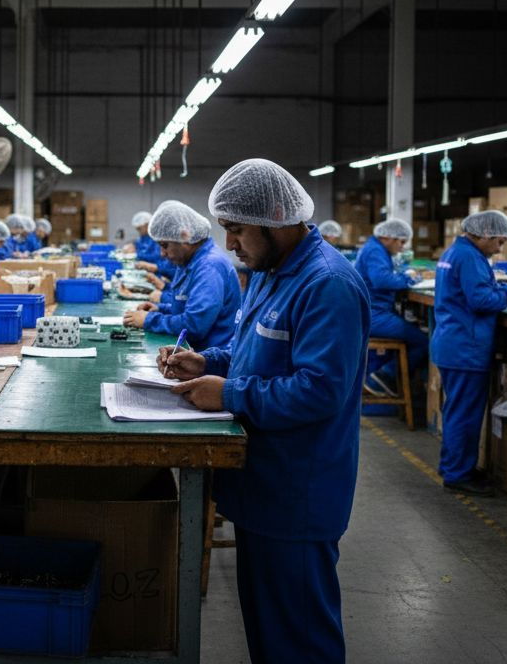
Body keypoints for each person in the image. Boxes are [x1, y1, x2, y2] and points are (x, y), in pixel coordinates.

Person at [158, 159, 369, 664]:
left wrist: (228, 394)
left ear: (277, 219)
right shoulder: (270, 272)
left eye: (236, 230)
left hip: (298, 490)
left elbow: (320, 390)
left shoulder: (327, 285)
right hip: (261, 484)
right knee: (269, 635)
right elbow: (252, 349)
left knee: (299, 639)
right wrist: (205, 361)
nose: (229, 243)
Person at [431, 210, 507, 497]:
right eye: (499, 242)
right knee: (464, 414)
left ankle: (454, 467)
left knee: (457, 410)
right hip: (465, 348)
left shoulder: (455, 252)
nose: (500, 248)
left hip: (453, 342)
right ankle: (458, 475)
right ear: (484, 234)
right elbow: (481, 300)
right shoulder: (470, 257)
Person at [122, 201, 241, 350]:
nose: (162, 254)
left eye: (165, 245)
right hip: (196, 352)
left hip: (211, 358)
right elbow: (185, 306)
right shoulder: (189, 262)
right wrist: (160, 309)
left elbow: (194, 325)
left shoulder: (209, 266)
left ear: (184, 237)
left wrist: (149, 320)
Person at [355, 218, 426, 398]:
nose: (402, 247)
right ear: (387, 237)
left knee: (416, 333)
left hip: (374, 312)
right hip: (374, 315)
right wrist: (410, 279)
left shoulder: (376, 249)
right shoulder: (375, 251)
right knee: (424, 342)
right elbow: (382, 280)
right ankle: (384, 376)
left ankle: (385, 379)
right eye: (401, 242)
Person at [129, 210, 177, 279]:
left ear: (147, 225)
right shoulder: (144, 237)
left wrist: (137, 255)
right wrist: (133, 246)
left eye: (140, 229)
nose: (162, 253)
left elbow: (158, 256)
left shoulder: (156, 238)